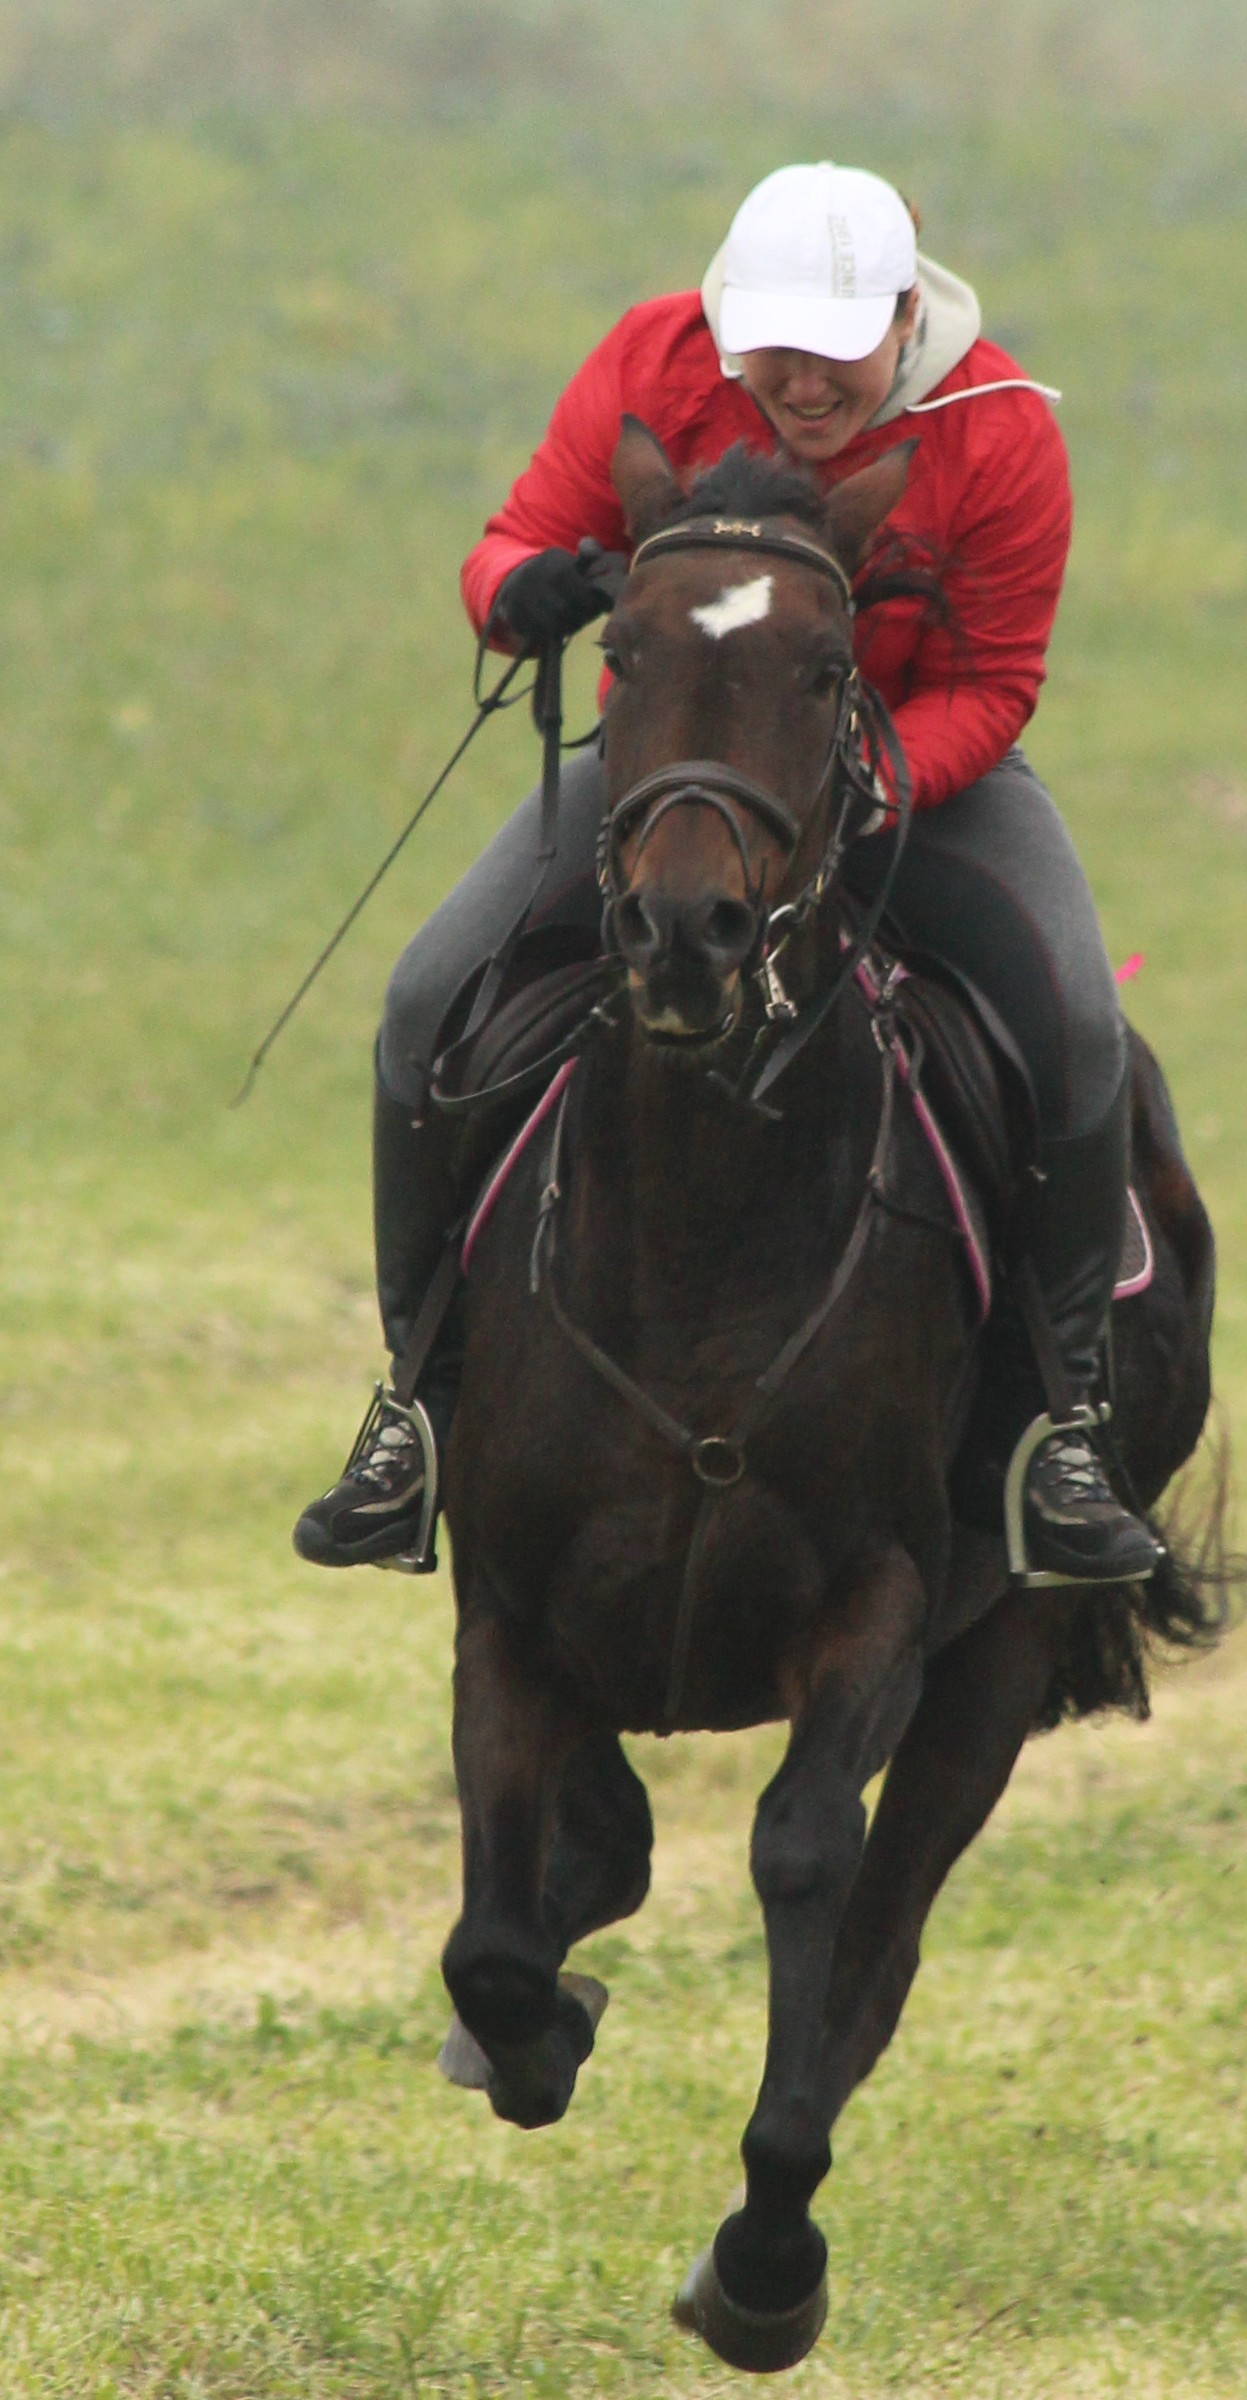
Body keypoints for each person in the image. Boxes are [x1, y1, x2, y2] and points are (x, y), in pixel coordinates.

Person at [293, 161, 1161, 1587]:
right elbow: (516, 539)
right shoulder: (656, 359)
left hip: (908, 778)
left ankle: (1062, 1426)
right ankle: (416, 1408)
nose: (798, 387)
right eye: (772, 351)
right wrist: (516, 592)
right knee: (422, 998)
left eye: (832, 357)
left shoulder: (998, 431)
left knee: (1074, 1028)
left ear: (902, 318)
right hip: (686, 776)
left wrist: (871, 783)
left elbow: (996, 683)